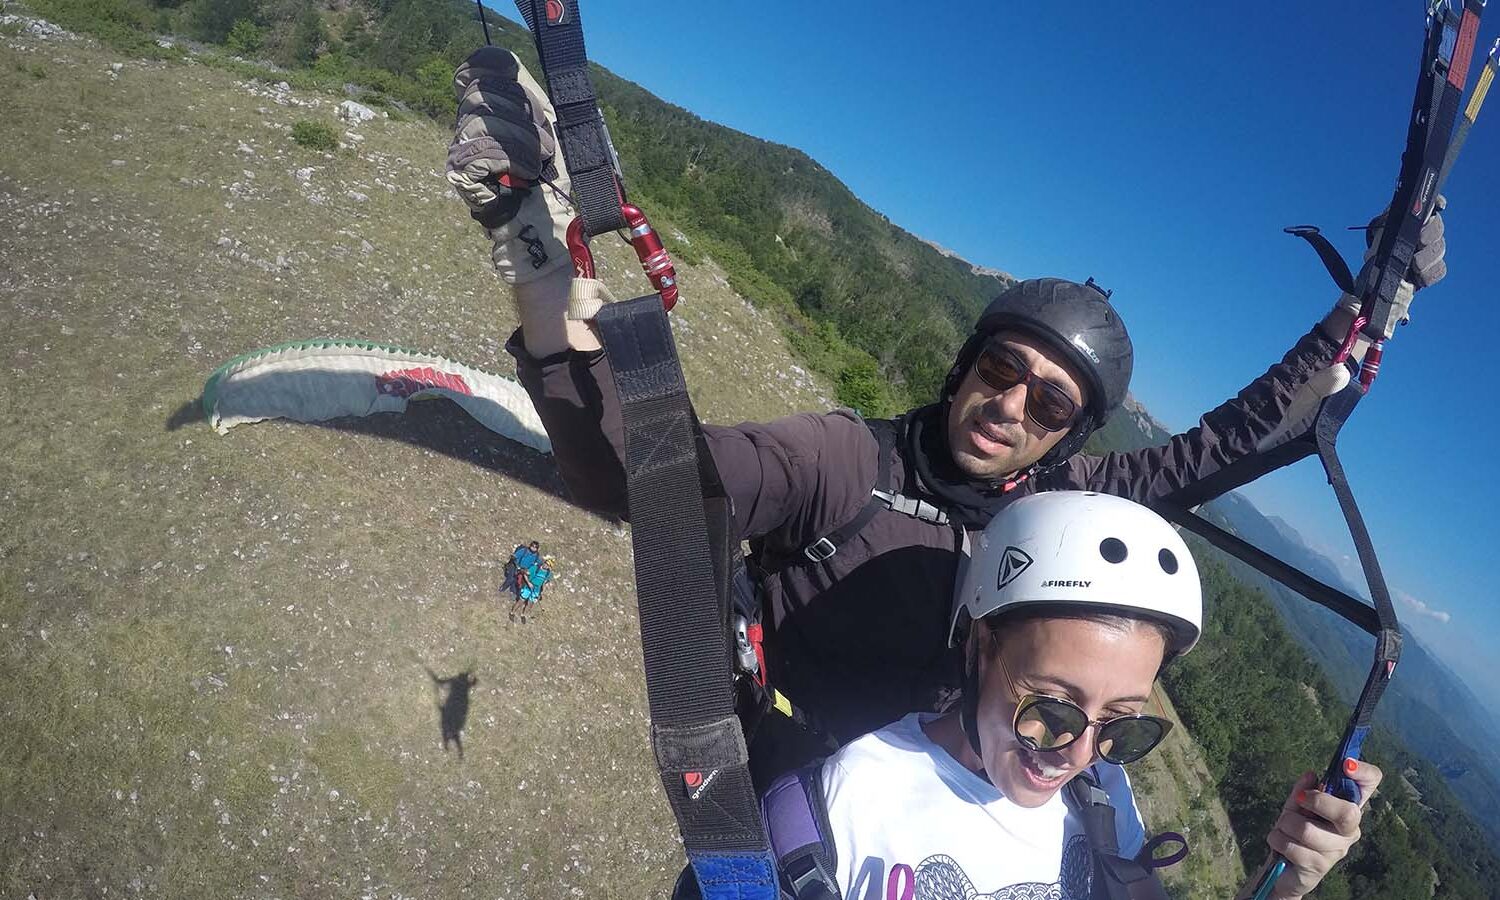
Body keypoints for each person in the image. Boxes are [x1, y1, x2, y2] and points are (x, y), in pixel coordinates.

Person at [444, 49, 1448, 777]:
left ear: (1071, 435)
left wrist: (1374, 306)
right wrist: (542, 284)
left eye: (1048, 402)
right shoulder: (841, 462)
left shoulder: (1067, 504)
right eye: (1001, 371)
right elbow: (643, 480)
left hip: (947, 814)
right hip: (793, 794)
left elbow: (1240, 440)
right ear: (966, 366)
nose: (1010, 406)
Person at [799, 491, 1380, 900]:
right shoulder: (861, 795)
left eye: (1118, 725)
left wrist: (1284, 883)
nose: (1077, 755)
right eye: (1050, 708)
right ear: (977, 644)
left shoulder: (1099, 796)